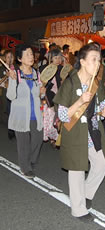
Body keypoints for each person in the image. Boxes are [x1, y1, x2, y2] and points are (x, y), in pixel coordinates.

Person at [53, 42, 105, 222]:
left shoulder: (96, 82)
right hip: (75, 131)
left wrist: (104, 112)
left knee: (101, 164)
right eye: (94, 60)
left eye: (99, 60)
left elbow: (101, 106)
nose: (97, 64)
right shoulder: (70, 82)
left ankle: (86, 194)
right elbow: (62, 115)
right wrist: (79, 102)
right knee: (77, 169)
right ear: (83, 62)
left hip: (92, 131)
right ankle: (78, 209)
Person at [6, 44, 45, 179]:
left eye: (31, 54)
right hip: (21, 115)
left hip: (35, 114)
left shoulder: (36, 74)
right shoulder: (15, 74)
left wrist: (42, 93)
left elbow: (40, 96)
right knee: (23, 144)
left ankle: (31, 161)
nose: (31, 56)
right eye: (27, 54)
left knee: (38, 139)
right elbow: (10, 96)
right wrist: (11, 81)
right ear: (19, 58)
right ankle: (25, 167)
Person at [40, 48, 62, 147]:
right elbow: (42, 84)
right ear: (50, 58)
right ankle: (50, 136)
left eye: (59, 57)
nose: (58, 60)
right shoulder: (44, 68)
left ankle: (55, 137)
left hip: (59, 96)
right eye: (55, 57)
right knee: (49, 118)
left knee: (57, 118)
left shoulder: (61, 69)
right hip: (48, 97)